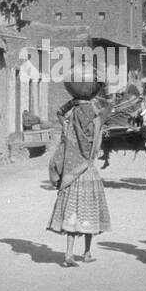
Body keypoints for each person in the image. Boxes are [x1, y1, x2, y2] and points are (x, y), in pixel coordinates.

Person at [48, 89, 112, 267]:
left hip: (72, 174)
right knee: (89, 212)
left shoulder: (69, 124)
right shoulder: (97, 121)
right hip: (89, 172)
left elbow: (59, 112)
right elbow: (109, 105)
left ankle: (69, 253)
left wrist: (74, 102)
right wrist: (93, 97)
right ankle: (87, 252)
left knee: (73, 213)